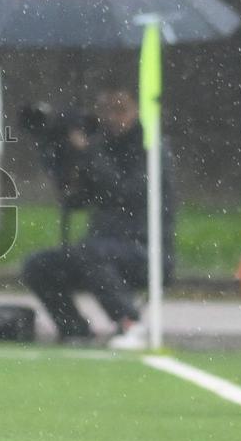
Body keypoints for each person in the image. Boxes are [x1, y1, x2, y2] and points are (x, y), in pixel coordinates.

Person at [20, 88, 175, 350]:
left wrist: (89, 152)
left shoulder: (150, 148)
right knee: (38, 265)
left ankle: (129, 323)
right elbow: (77, 200)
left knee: (89, 253)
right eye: (106, 110)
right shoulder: (102, 145)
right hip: (100, 250)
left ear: (137, 110)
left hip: (145, 250)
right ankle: (74, 329)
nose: (113, 118)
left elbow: (125, 192)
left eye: (120, 109)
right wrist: (61, 160)